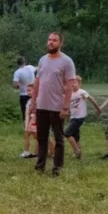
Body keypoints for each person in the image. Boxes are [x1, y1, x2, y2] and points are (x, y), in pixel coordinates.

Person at [29, 32, 77, 177]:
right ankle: (40, 165)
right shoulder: (43, 60)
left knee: (58, 138)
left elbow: (69, 86)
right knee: (41, 137)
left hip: (57, 106)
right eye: (49, 40)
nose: (51, 42)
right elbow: (37, 83)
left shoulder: (67, 62)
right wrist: (33, 102)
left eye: (54, 40)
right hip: (42, 105)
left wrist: (65, 107)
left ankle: (57, 167)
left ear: (60, 43)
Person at [65, 76, 101, 160]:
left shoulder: (82, 92)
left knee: (67, 133)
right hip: (73, 117)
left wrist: (98, 108)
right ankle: (80, 156)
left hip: (80, 117)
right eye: (71, 83)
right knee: (75, 136)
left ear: (79, 84)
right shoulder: (70, 93)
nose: (73, 85)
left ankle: (76, 151)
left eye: (75, 83)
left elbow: (91, 99)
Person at [20, 84, 38, 158]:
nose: (28, 92)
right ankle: (27, 151)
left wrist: (34, 121)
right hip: (29, 121)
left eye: (30, 90)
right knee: (28, 135)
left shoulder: (37, 100)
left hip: (34, 122)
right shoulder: (29, 101)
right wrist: (25, 120)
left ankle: (37, 152)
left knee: (37, 137)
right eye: (27, 90)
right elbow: (26, 112)